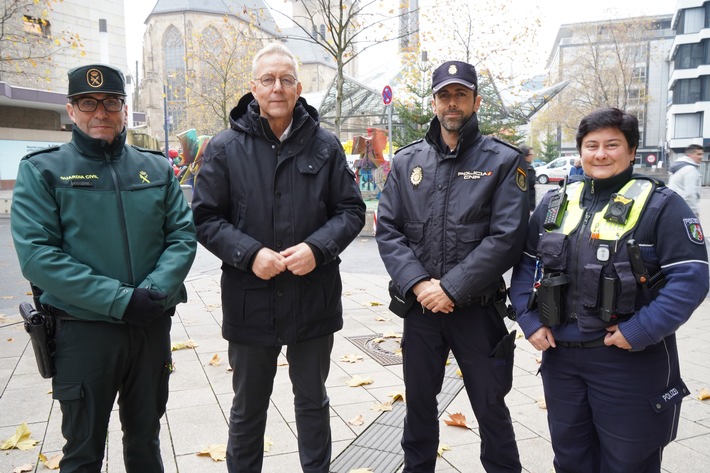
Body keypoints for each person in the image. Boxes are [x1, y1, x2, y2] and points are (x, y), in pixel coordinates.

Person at [10, 64, 197, 472]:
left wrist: (153, 293)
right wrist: (120, 301)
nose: (101, 112)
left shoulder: (158, 168)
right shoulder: (43, 170)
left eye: (111, 102)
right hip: (83, 333)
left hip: (149, 326)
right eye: (88, 102)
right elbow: (38, 256)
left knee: (146, 442)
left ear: (125, 109)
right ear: (71, 109)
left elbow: (182, 236)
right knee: (82, 452)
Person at [191, 43, 365, 473]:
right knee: (248, 408)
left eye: (286, 79)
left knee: (312, 401)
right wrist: (249, 254)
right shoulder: (224, 148)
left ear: (299, 87)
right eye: (268, 79)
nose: (277, 88)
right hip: (251, 299)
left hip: (312, 298)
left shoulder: (325, 146)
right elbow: (205, 218)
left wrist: (317, 248)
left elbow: (351, 211)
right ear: (253, 87)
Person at [510, 107, 709, 472]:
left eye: (612, 145)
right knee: (570, 458)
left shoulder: (662, 206)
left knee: (629, 461)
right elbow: (524, 264)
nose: (600, 154)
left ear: (632, 151)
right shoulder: (556, 201)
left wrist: (640, 330)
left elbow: (692, 277)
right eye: (591, 145)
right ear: (581, 152)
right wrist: (529, 318)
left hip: (628, 359)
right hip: (562, 361)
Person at [376, 60, 527, 473]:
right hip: (421, 311)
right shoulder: (408, 162)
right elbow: (388, 230)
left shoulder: (503, 161)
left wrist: (451, 288)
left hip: (478, 312)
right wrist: (420, 284)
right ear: (434, 101)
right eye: (444, 95)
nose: (452, 103)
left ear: (476, 100)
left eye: (461, 94)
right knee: (419, 409)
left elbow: (506, 238)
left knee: (491, 409)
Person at [668, 144, 703, 216]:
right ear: (690, 155)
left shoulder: (679, 168)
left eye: (702, 154)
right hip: (684, 210)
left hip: (674, 207)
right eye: (698, 154)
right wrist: (693, 213)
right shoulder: (690, 169)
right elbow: (690, 194)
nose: (701, 157)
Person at [521, 145, 537, 211]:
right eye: (531, 154)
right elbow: (531, 182)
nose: (532, 156)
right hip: (526, 201)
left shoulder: (517, 165)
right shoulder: (528, 168)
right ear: (526, 155)